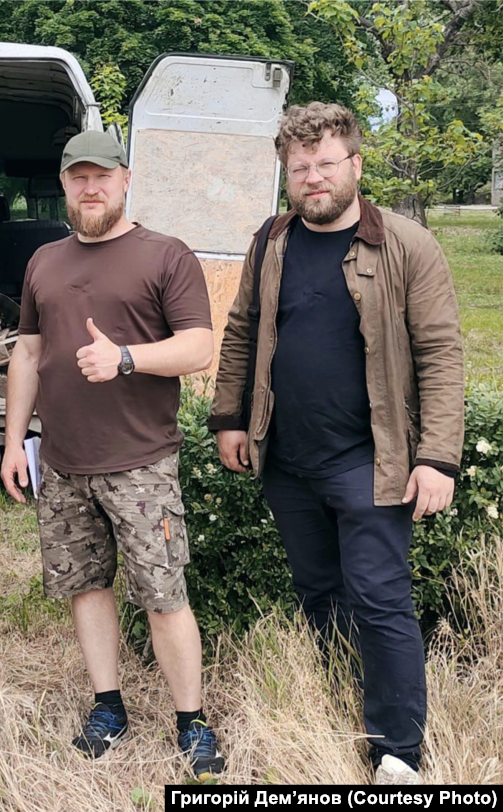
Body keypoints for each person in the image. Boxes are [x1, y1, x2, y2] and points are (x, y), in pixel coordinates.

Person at [209, 102, 464, 786]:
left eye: (326, 164)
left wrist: (437, 457)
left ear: (354, 164)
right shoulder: (271, 241)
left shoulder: (406, 244)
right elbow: (240, 330)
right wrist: (229, 418)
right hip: (288, 459)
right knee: (319, 591)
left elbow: (441, 353)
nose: (313, 178)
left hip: (371, 460)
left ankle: (399, 753)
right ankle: (342, 703)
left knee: (380, 600)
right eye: (300, 168)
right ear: (287, 173)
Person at [0, 130, 223, 778]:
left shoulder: (165, 255)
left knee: (163, 595)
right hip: (65, 463)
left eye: (103, 176)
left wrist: (126, 357)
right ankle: (109, 707)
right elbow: (28, 354)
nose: (90, 187)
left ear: (126, 180)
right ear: (64, 183)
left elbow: (197, 347)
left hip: (141, 463)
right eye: (78, 177)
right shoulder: (44, 261)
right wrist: (16, 441)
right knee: (85, 588)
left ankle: (191, 722)